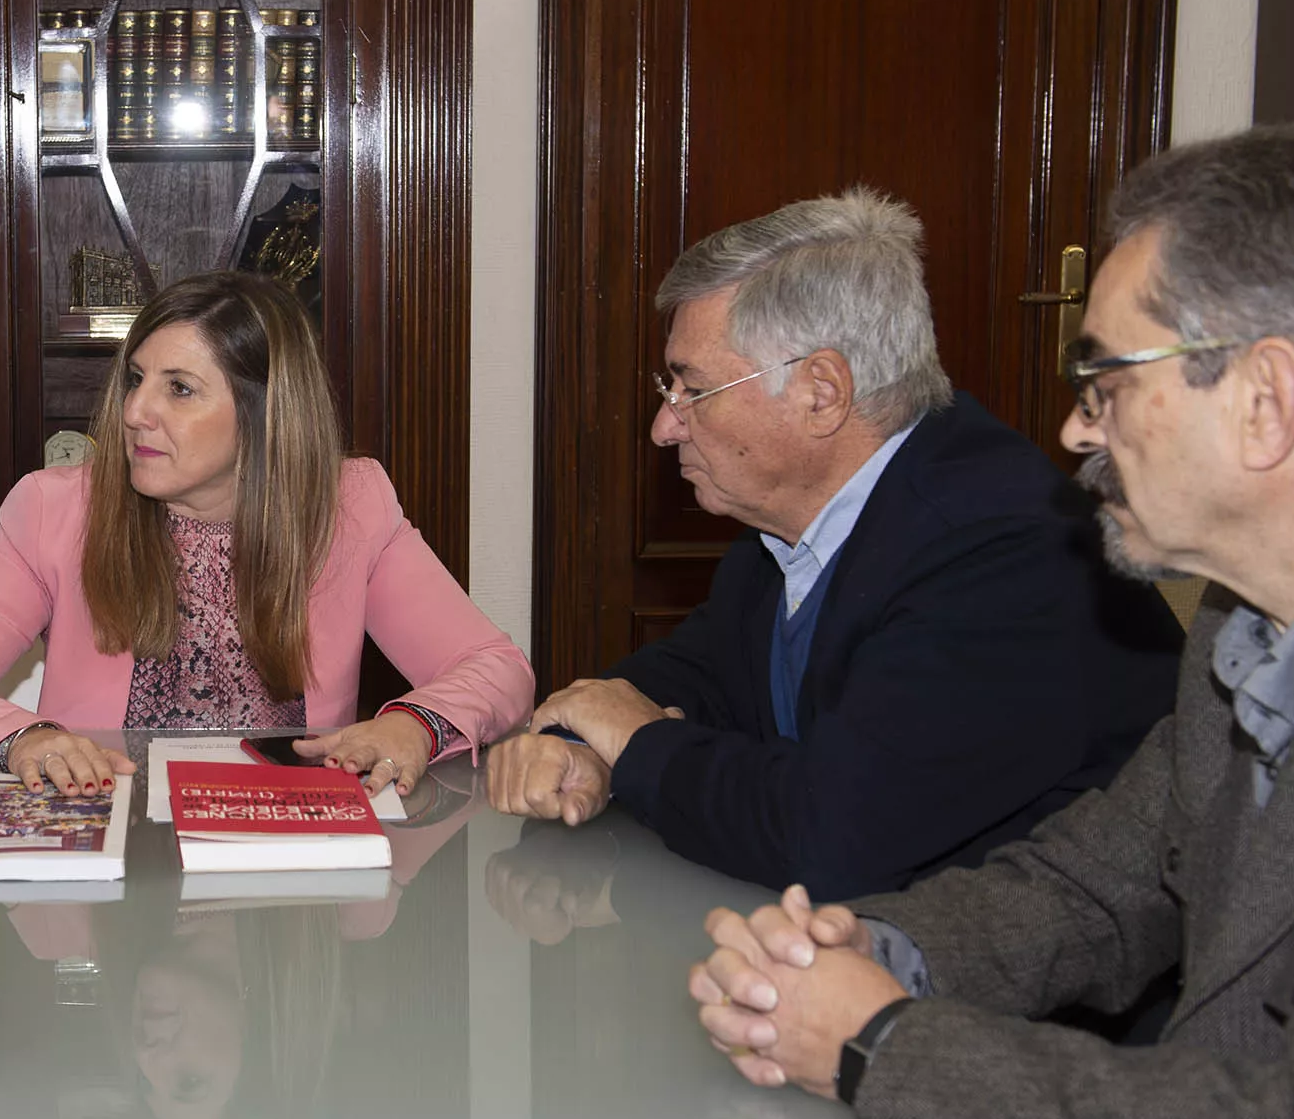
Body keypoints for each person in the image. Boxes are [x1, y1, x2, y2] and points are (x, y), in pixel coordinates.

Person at [687, 125, 1294, 1119]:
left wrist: (880, 1042)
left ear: (1267, 402)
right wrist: (871, 944)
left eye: (1109, 383)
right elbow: (1096, 887)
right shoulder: (1244, 623)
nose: (1076, 432)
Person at [486, 189, 1183, 898]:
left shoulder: (1003, 553)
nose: (665, 427)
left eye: (691, 389)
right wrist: (581, 741)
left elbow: (831, 834)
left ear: (821, 391)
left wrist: (634, 744)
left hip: (1022, 994)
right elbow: (702, 674)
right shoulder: (797, 520)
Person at [0, 270, 533, 793]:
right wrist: (22, 737)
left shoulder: (351, 504)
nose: (133, 411)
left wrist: (415, 722)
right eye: (135, 379)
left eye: (179, 389)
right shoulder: (57, 509)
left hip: (292, 905)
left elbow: (497, 670)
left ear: (264, 413)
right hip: (114, 889)